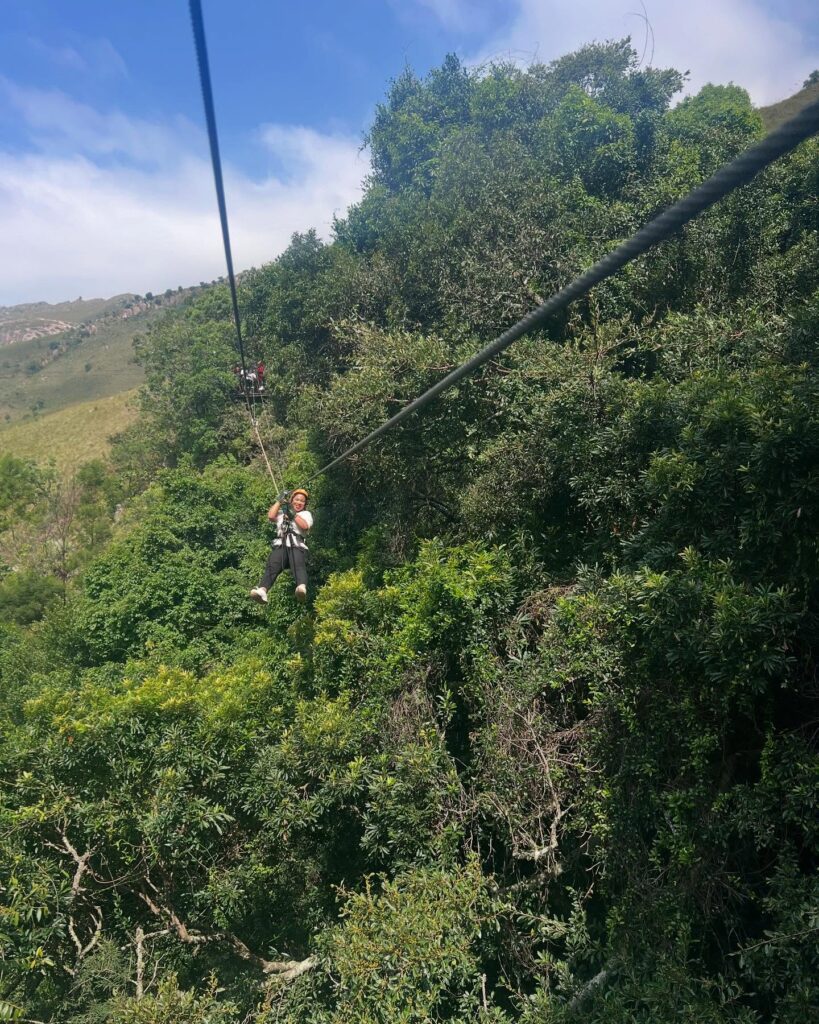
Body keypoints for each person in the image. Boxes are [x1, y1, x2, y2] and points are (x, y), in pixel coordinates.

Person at [250, 488, 312, 604]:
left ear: (305, 504)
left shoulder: (305, 514)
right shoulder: (283, 513)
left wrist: (293, 515)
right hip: (282, 545)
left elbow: (305, 526)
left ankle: (301, 587)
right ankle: (263, 590)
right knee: (273, 565)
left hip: (297, 545)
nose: (299, 502)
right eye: (296, 499)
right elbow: (271, 516)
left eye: (302, 501)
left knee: (298, 565)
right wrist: (279, 501)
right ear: (291, 501)